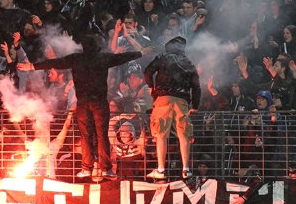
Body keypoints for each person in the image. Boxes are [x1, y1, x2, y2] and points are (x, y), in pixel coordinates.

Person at [18, 34, 154, 178]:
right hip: (99, 103)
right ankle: (105, 168)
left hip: (83, 103)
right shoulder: (103, 58)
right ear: (97, 46)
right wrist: (141, 53)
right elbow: (123, 57)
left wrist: (32, 66)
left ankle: (87, 168)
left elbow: (56, 62)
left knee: (86, 135)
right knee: (102, 135)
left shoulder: (76, 59)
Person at [144, 36, 200, 180]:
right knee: (184, 134)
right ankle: (186, 169)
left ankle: (161, 169)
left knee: (161, 133)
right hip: (182, 101)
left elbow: (147, 71)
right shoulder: (188, 62)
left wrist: (151, 87)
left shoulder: (163, 57)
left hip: (163, 98)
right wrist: (196, 105)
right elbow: (196, 86)